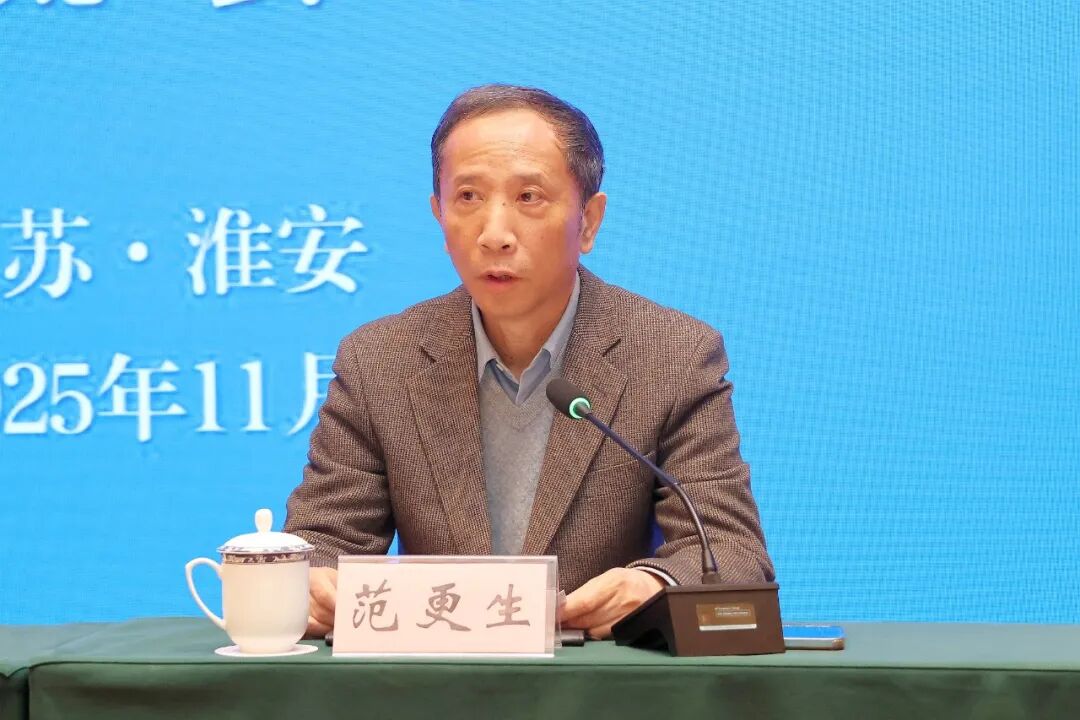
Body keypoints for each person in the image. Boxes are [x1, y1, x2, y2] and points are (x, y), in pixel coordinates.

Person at [284, 84, 774, 640]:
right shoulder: (380, 362)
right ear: (439, 214)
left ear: (588, 221)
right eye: (468, 196)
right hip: (437, 678)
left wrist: (655, 585)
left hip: (594, 680)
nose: (494, 234)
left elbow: (730, 552)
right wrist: (315, 580)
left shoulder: (672, 356)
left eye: (528, 197)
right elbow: (321, 541)